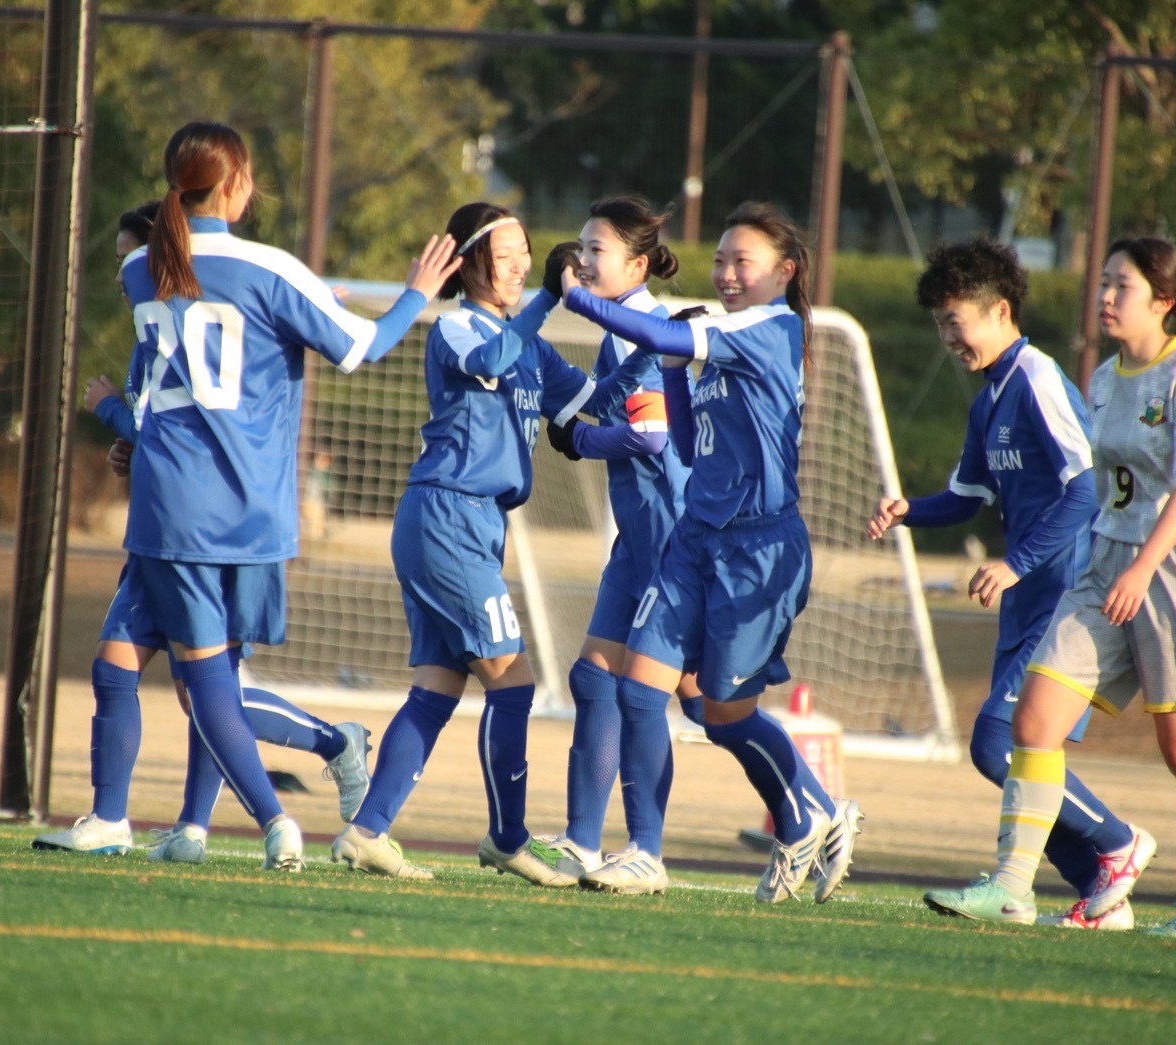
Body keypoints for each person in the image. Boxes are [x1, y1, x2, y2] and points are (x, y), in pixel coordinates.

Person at [36, 121, 461, 872]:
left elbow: (168, 381)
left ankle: (273, 817)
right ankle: (156, 822)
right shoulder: (270, 268)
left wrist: (120, 420)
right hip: (246, 510)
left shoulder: (140, 267)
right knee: (142, 668)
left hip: (182, 506)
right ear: (235, 183)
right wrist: (415, 295)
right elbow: (364, 346)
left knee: (205, 684)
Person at [923, 236, 1176, 941]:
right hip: (1106, 566)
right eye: (1103, 283)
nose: (1105, 296)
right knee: (1030, 723)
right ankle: (1011, 886)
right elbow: (1096, 487)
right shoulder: (1102, 378)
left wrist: (1140, 567)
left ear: (1164, 301)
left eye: (1121, 286)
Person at [331, 203, 654, 885]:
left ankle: (366, 832)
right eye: (504, 255)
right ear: (471, 263)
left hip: (473, 526)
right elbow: (491, 358)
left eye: (523, 252)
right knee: (513, 684)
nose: (517, 265)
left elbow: (594, 401)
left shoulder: (527, 343)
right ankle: (508, 838)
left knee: (438, 685)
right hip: (447, 517)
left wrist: (652, 352)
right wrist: (547, 298)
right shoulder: (458, 327)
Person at [558, 201, 863, 904]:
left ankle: (807, 814)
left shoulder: (770, 328)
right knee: (638, 688)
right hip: (695, 538)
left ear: (785, 272)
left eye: (741, 262)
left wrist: (575, 295)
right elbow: (692, 441)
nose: (725, 274)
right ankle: (644, 852)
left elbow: (651, 329)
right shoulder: (726, 339)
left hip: (758, 551)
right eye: (720, 260)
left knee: (723, 711)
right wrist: (673, 369)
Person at [868, 238, 1150, 930]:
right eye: (939, 323)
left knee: (1001, 744)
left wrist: (1015, 563)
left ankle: (1117, 843)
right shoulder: (989, 400)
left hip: (1066, 595)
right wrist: (909, 511)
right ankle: (1098, 891)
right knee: (1014, 751)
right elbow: (967, 497)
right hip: (1027, 604)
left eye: (955, 320)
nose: (947, 337)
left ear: (1000, 310)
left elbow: (1085, 489)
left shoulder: (1036, 378)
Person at [535, 195, 705, 894]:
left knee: (701, 703)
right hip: (636, 541)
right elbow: (612, 402)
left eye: (595, 249)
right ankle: (582, 840)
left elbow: (651, 437)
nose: (581, 260)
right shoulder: (620, 333)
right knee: (594, 679)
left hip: (671, 541)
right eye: (579, 246)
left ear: (637, 265)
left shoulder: (650, 328)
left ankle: (802, 812)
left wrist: (580, 440)